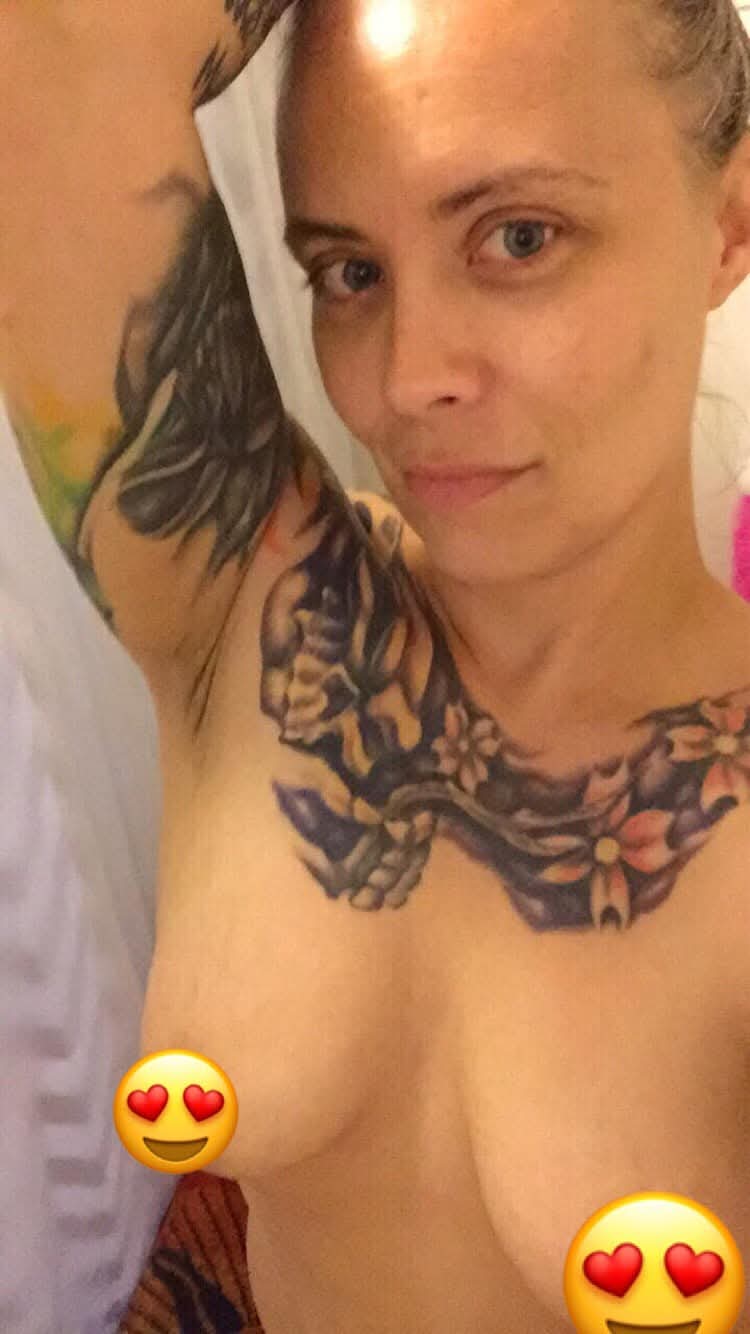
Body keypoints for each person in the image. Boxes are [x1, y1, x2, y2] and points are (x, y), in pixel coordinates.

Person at [3, 0, 750, 1330]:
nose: (407, 379)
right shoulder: (257, 610)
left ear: (731, 223)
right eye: (350, 270)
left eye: (517, 238)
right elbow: (53, 42)